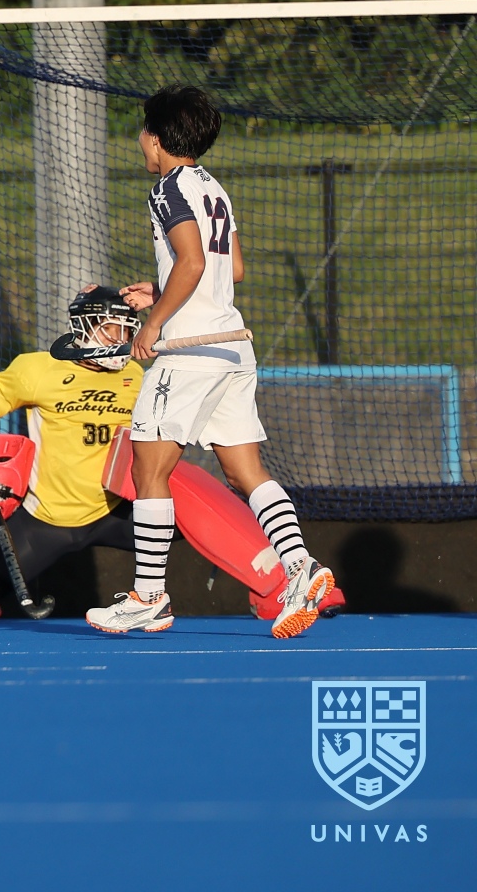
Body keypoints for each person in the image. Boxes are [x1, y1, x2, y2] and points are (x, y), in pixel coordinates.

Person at [86, 85, 335, 638]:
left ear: (156, 138)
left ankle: (149, 597)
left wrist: (154, 322)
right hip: (231, 348)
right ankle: (301, 568)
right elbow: (232, 269)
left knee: (148, 470)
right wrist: (161, 289)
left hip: (189, 351)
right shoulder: (213, 187)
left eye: (142, 132)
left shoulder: (166, 189)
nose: (140, 142)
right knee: (246, 471)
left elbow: (194, 262)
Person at [0, 286, 145, 608]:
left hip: (116, 511)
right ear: (84, 328)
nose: (120, 339)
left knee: (192, 524)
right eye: (111, 329)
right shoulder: (39, 368)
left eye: (126, 330)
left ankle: (153, 602)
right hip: (46, 520)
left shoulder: (136, 375)